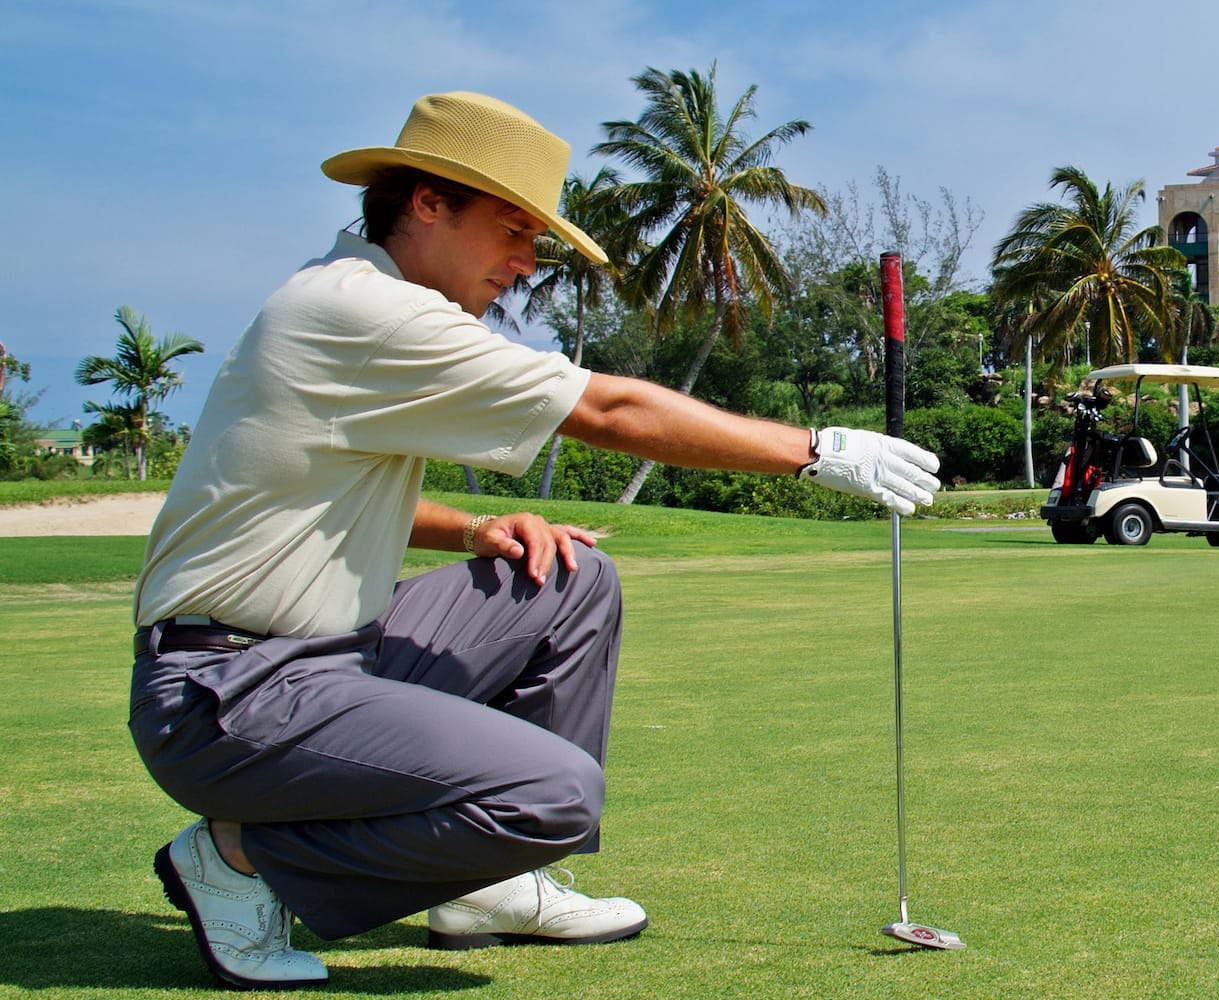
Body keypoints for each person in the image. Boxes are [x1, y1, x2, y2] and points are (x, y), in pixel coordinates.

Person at [130, 91, 941, 990]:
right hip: (227, 692)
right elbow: (606, 408)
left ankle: (486, 887)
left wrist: (476, 528)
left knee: (568, 576)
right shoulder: (364, 311)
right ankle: (240, 859)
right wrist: (816, 451)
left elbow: (321, 497)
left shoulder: (364, 304)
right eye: (513, 229)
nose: (525, 264)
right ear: (429, 203)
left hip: (323, 663)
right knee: (552, 794)